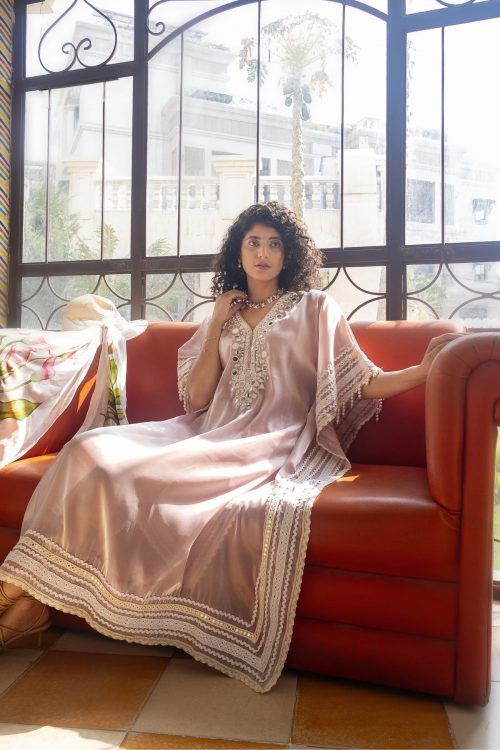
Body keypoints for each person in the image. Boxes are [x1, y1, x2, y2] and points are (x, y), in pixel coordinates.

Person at [0, 202, 464, 692]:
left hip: (268, 443)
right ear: (238, 253)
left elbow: (360, 382)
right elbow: (198, 397)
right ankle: (25, 599)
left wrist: (421, 372)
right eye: (253, 242)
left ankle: (15, 598)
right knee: (88, 449)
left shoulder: (315, 308)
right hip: (203, 431)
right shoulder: (223, 314)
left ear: (289, 254)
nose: (263, 253)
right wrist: (218, 323)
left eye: (274, 244)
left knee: (127, 475)